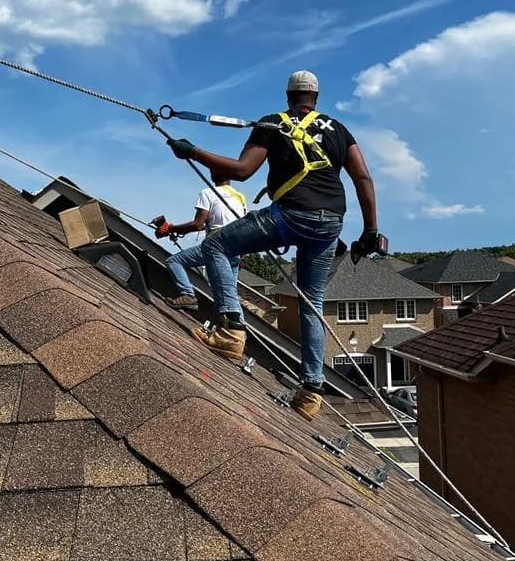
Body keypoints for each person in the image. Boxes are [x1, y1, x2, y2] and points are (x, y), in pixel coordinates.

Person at [165, 70, 379, 421]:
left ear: (288, 96)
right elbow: (363, 178)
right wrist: (370, 229)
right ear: (316, 98)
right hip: (330, 226)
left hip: (291, 215)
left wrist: (193, 152)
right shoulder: (340, 130)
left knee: (218, 246)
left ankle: (232, 330)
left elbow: (242, 170)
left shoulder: (273, 123)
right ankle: (311, 391)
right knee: (312, 302)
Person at [155, 174, 248, 310]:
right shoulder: (240, 197)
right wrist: (243, 255)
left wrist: (170, 228)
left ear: (213, 176)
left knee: (174, 262)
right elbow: (241, 226)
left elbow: (197, 224)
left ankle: (188, 295)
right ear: (230, 178)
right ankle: (236, 329)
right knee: (231, 296)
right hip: (237, 250)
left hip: (218, 247)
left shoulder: (208, 192)